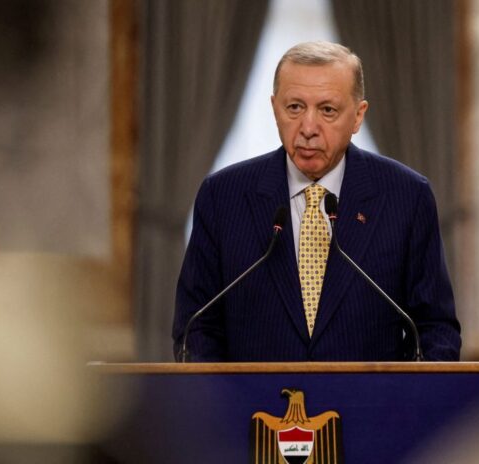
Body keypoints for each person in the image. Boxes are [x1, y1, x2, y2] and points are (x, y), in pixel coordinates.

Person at [173, 41, 461, 362]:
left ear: (358, 116)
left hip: (372, 396)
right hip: (251, 397)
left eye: (327, 110)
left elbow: (435, 330)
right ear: (275, 109)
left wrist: (411, 392)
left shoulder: (406, 197)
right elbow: (196, 327)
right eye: (295, 107)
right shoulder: (222, 196)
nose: (308, 128)